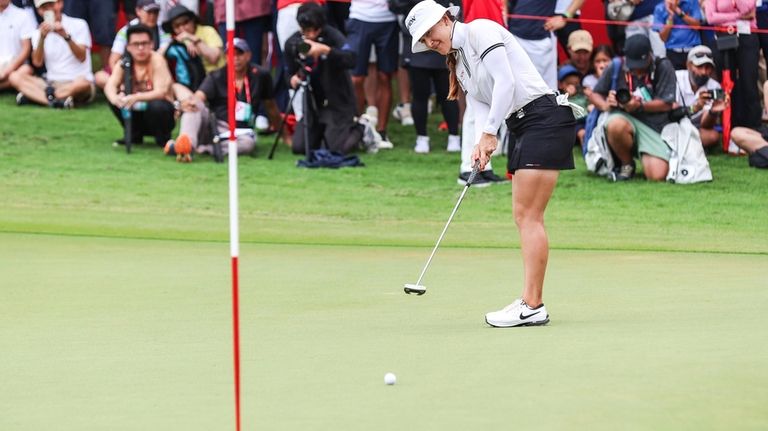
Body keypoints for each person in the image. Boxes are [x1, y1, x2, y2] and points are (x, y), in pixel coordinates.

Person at [407, 0, 576, 327]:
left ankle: (532, 305)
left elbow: (506, 83)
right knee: (524, 216)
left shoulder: (481, 31)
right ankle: (531, 302)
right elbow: (483, 104)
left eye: (430, 32)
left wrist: (488, 134)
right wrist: (480, 145)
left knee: (529, 216)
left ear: (446, 18)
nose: (429, 42)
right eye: (424, 40)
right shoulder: (460, 63)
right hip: (524, 126)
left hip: (544, 119)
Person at [175, 38, 285, 156]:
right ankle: (186, 145)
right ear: (226, 57)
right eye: (231, 54)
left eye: (240, 54)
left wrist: (284, 135)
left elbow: (271, 106)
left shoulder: (261, 75)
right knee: (194, 106)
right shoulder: (216, 75)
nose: (236, 58)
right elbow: (199, 96)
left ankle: (206, 149)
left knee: (248, 144)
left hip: (242, 131)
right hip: (215, 125)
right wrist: (188, 103)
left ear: (248, 55)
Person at [589, 34, 677, 181]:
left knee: (657, 176)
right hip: (625, 120)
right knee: (615, 124)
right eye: (633, 65)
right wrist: (606, 104)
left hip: (655, 126)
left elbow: (666, 103)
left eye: (640, 65)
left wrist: (639, 106)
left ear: (650, 56)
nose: (636, 70)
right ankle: (626, 164)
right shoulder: (617, 65)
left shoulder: (663, 66)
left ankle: (646, 153)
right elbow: (595, 94)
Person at [283, 2, 363, 155]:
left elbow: (351, 59)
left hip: (338, 103)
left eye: (315, 31)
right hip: (313, 104)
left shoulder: (332, 36)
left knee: (334, 150)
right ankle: (323, 134)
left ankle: (360, 128)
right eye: (306, 31)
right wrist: (292, 79)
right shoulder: (293, 43)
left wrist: (327, 51)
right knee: (299, 148)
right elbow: (289, 73)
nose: (311, 35)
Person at [10, 0, 94, 108]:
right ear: (39, 11)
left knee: (83, 84)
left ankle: (36, 97)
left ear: (60, 4)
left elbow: (82, 57)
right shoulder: (38, 33)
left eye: (51, 4)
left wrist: (66, 36)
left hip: (76, 81)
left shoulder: (79, 24)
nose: (48, 9)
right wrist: (42, 38)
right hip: (51, 84)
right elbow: (37, 62)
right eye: (44, 7)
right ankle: (55, 102)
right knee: (15, 77)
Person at [104, 24, 175, 148]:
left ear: (152, 44)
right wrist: (116, 99)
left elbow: (161, 92)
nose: (141, 48)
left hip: (159, 113)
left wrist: (136, 97)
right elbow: (110, 86)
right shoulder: (124, 62)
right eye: (136, 44)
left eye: (145, 43)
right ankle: (133, 135)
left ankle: (163, 139)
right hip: (135, 110)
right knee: (114, 99)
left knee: (157, 105)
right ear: (128, 47)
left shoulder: (157, 60)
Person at [346, 0, 399, 148]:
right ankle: (357, 128)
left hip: (387, 18)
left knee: (385, 76)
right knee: (356, 78)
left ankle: (382, 132)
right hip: (359, 16)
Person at [705, 0, 761, 130]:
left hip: (746, 35)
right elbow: (711, 17)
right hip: (723, 37)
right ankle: (731, 127)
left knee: (749, 82)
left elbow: (747, 8)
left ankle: (754, 127)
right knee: (727, 84)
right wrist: (737, 17)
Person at [94, 0, 171, 90]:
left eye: (155, 12)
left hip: (152, 70)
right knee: (99, 77)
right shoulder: (126, 30)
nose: (153, 16)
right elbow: (113, 60)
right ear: (138, 11)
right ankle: (124, 88)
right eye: (149, 12)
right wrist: (121, 79)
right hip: (129, 70)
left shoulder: (163, 30)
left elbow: (160, 56)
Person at [674, 45, 725, 148]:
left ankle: (681, 145)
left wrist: (712, 112)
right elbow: (671, 113)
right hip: (673, 125)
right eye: (699, 67)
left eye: (708, 67)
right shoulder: (675, 78)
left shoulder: (714, 86)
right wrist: (697, 107)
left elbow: (705, 125)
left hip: (695, 129)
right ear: (688, 65)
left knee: (712, 136)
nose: (704, 72)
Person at [653, 0, 703, 70]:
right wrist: (670, 17)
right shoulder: (660, 8)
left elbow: (697, 26)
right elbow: (663, 38)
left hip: (693, 49)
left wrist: (679, 12)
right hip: (673, 52)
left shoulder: (692, 2)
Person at [0, 0, 37, 91]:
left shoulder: (22, 15)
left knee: (26, 70)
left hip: (15, 66)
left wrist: (7, 71)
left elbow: (26, 49)